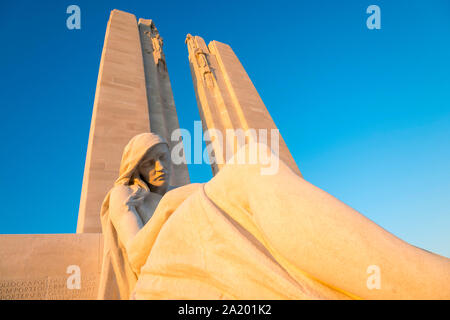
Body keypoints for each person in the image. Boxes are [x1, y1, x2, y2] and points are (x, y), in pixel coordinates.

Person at [99, 133, 450, 300]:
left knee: (254, 160)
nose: (160, 168)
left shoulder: (169, 197)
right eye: (149, 162)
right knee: (249, 167)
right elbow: (136, 254)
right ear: (134, 167)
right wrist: (173, 204)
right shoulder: (123, 194)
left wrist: (176, 200)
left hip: (189, 230)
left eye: (164, 157)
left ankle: (413, 280)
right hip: (162, 264)